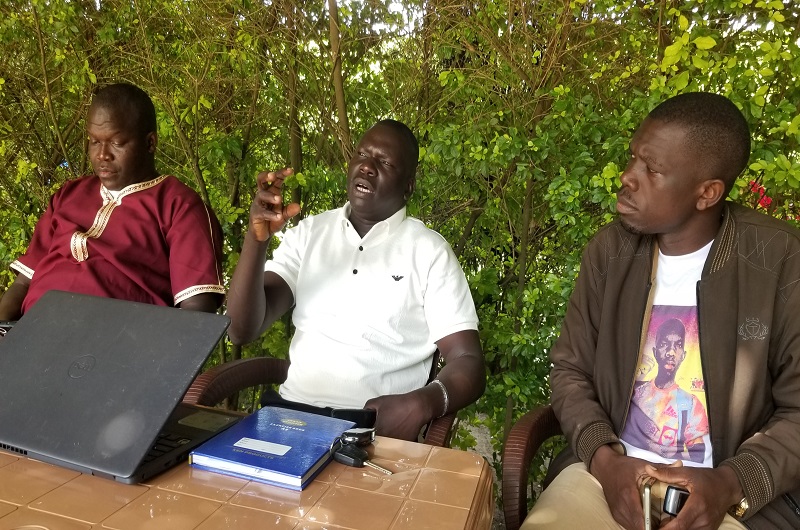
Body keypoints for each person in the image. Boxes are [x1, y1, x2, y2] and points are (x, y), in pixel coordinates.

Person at [523, 92, 800, 530]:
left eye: (651, 170)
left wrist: (730, 482)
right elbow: (570, 370)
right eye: (633, 159)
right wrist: (604, 459)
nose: (628, 177)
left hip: (729, 499)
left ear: (707, 193)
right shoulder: (609, 253)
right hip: (607, 478)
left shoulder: (781, 261)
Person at [226, 119, 485, 441]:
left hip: (373, 433)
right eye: (362, 154)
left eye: (385, 162)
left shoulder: (429, 252)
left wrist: (422, 403)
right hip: (289, 420)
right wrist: (256, 239)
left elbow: (468, 360)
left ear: (408, 186)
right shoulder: (310, 234)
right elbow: (240, 329)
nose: (367, 167)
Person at [0, 83, 225, 321]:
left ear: (150, 143)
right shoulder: (68, 195)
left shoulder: (178, 205)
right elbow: (23, 283)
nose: (102, 155)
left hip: (116, 346)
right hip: (31, 337)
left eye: (116, 143)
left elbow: (196, 311)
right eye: (95, 141)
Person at [621, 317, 709, 464]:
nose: (671, 352)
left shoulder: (691, 405)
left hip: (674, 474)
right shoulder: (637, 392)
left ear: (683, 355)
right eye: (664, 345)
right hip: (627, 466)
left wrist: (667, 457)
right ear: (655, 352)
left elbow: (698, 456)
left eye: (678, 346)